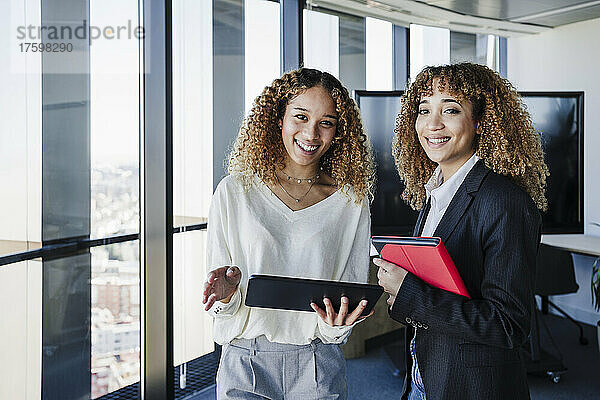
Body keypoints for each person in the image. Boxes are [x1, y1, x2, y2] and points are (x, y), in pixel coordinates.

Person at [375, 62, 549, 400]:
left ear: (482, 122)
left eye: (451, 109)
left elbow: (508, 325)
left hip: (472, 387)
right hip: (425, 374)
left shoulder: (504, 201)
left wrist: (410, 293)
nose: (432, 124)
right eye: (424, 110)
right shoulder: (436, 192)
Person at [202, 68, 375, 400]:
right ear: (278, 118)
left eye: (326, 122)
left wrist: (338, 320)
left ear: (338, 132)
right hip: (245, 360)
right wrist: (224, 294)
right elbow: (221, 301)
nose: (311, 133)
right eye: (300, 116)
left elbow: (348, 291)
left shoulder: (351, 202)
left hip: (316, 361)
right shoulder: (235, 192)